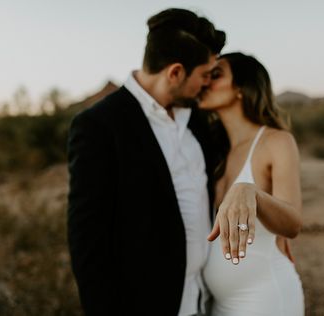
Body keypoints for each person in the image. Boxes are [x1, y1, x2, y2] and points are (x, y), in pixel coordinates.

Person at [66, 8, 225, 315]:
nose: (207, 84)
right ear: (175, 72)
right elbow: (87, 238)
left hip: (204, 299)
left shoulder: (197, 120)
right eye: (204, 75)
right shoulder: (100, 125)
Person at [199, 52, 305, 315]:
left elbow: (292, 223)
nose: (205, 82)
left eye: (216, 75)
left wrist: (251, 193)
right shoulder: (213, 148)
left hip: (264, 297)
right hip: (216, 303)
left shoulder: (276, 141)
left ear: (241, 88)